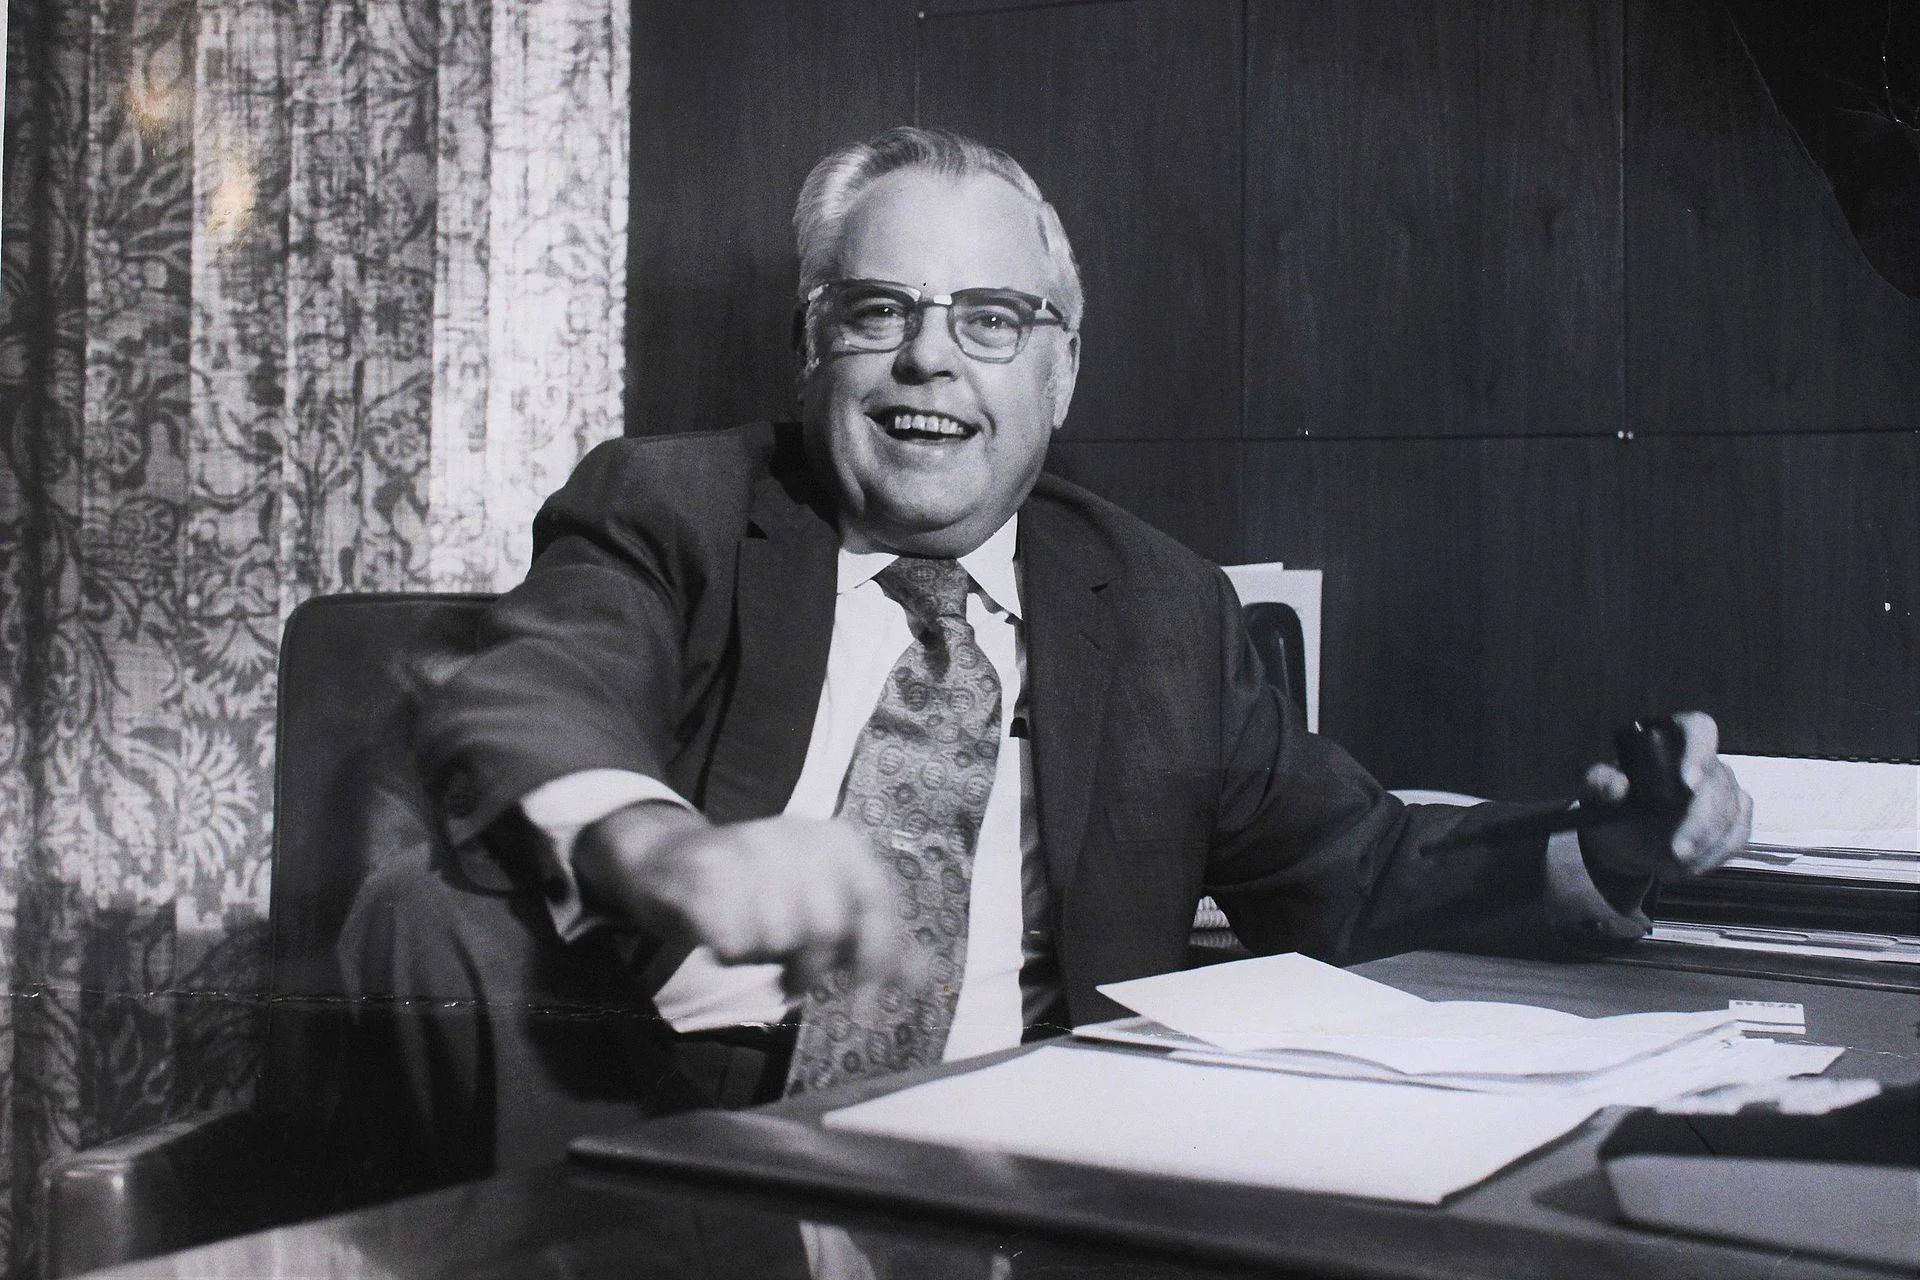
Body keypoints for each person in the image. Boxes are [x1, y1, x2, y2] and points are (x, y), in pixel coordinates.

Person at [339, 126, 1752, 1185]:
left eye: (991, 320)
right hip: (676, 1137)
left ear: (1060, 372)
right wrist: (661, 847)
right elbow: (539, 679)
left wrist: (1606, 851)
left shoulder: (1162, 607)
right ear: (811, 352)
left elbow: (1360, 868)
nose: (929, 361)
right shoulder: (674, 506)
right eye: (877, 313)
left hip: (1024, 1165)